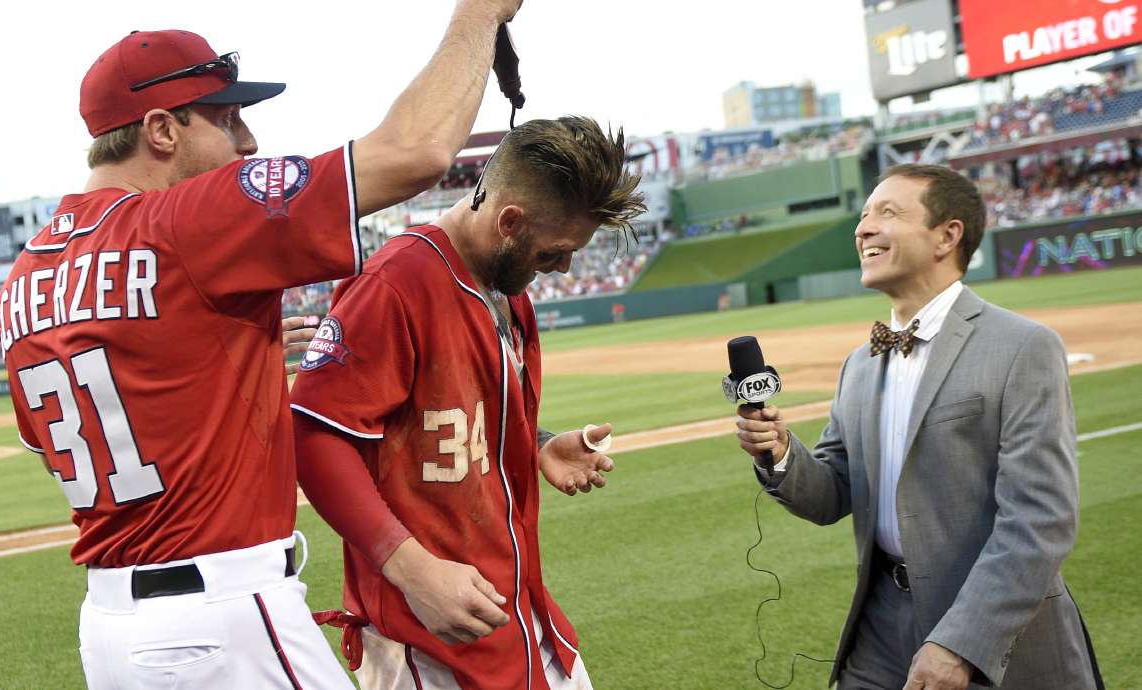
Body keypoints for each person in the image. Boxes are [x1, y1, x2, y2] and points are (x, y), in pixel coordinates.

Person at [0, 2, 522, 687]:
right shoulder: (182, 219)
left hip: (112, 633)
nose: (247, 140)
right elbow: (415, 151)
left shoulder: (25, 276)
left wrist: (199, 371)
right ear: (160, 130)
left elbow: (59, 443)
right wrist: (479, 16)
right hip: (223, 619)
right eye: (224, 118)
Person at [289, 116, 646, 689]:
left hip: (521, 619)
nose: (564, 267)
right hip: (431, 641)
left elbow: (454, 420)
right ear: (510, 222)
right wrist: (413, 570)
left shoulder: (505, 287)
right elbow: (313, 436)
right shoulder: (395, 285)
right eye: (556, 252)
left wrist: (539, 444)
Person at [734, 164, 1102, 690]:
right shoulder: (858, 364)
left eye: (888, 212)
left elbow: (1040, 518)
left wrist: (961, 642)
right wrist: (780, 452)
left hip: (993, 634)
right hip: (879, 625)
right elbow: (832, 493)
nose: (863, 228)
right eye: (863, 216)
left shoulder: (1023, 347)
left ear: (947, 236)